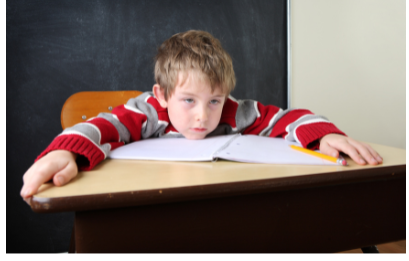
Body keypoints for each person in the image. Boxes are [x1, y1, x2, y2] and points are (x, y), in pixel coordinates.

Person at [20, 30, 382, 201]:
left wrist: (323, 134)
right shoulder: (148, 110)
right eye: (189, 100)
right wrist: (64, 151)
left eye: (214, 101)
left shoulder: (230, 110)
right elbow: (102, 125)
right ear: (163, 94)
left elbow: (283, 119)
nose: (203, 116)